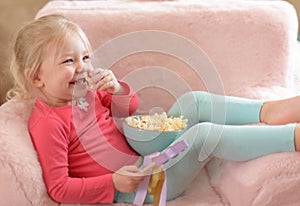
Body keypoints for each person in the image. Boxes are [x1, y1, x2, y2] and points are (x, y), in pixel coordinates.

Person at [6, 14, 300, 204]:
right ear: (36, 77)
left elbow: (128, 108)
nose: (83, 67)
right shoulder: (48, 124)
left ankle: (267, 110)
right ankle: (293, 137)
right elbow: (59, 188)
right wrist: (112, 183)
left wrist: (116, 89)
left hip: (146, 154)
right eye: (69, 62)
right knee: (203, 135)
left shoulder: (85, 95)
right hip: (143, 186)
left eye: (85, 57)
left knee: (193, 102)